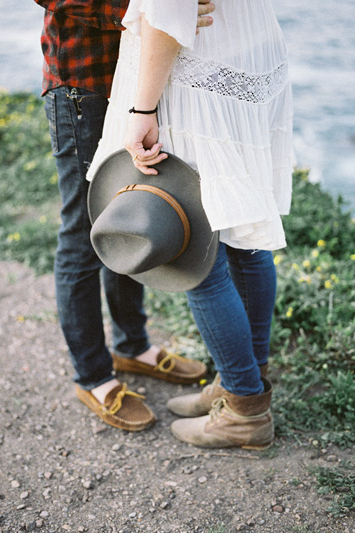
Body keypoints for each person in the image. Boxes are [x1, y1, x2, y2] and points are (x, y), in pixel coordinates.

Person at [88, 0, 293, 449]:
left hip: (192, 72)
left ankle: (243, 408)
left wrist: (143, 110)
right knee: (245, 237)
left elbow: (167, 11)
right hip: (246, 54)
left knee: (197, 255)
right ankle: (244, 382)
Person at [32, 0, 215, 431]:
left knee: (132, 216)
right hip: (84, 85)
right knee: (84, 229)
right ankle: (93, 376)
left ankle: (132, 347)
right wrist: (142, 11)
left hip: (140, 84)